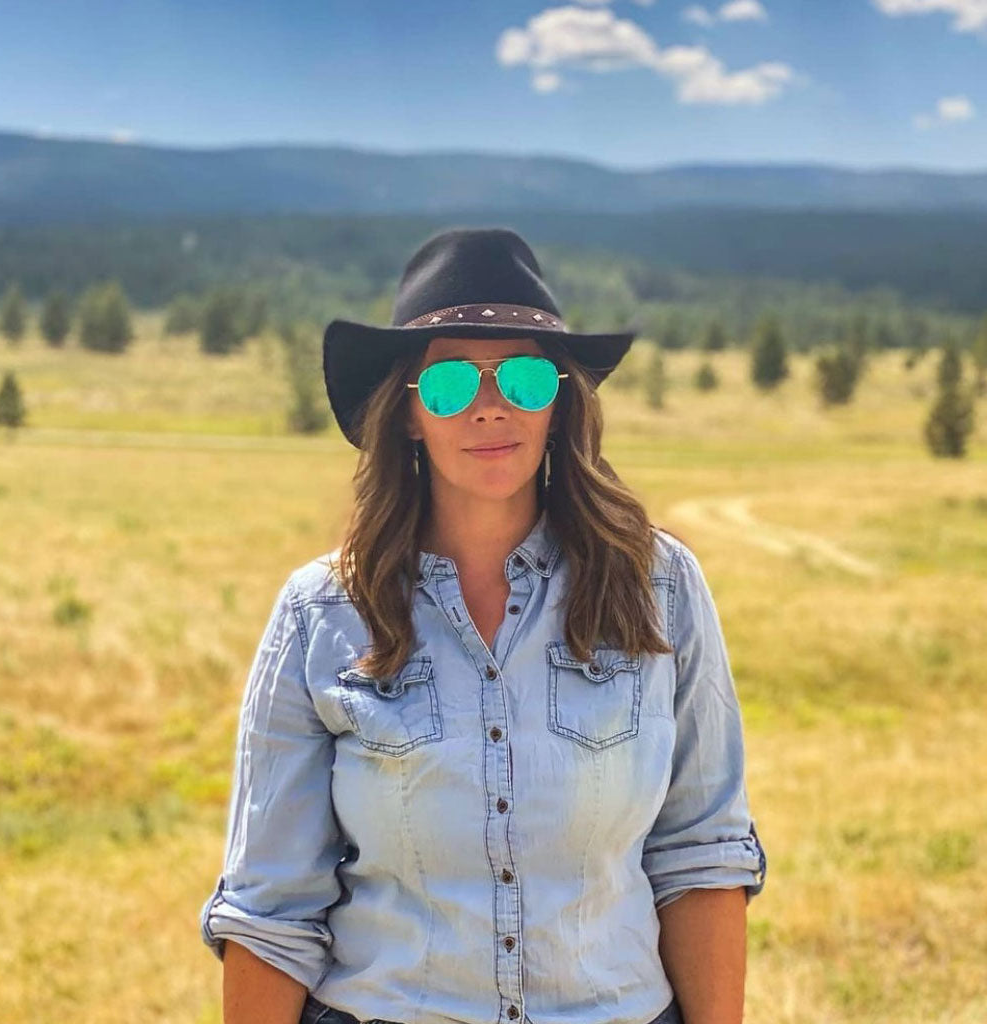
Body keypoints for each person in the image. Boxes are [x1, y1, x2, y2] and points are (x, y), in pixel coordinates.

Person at [199, 228, 767, 1024]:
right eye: (450, 382)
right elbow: (270, 908)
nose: (490, 405)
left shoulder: (658, 588)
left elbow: (701, 854)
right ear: (406, 414)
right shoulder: (319, 613)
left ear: (561, 403)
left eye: (527, 377)